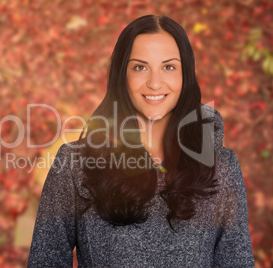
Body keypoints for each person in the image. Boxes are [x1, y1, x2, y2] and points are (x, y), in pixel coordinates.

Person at [27, 15, 255, 267]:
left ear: (185, 75)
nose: (155, 83)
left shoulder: (220, 165)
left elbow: (236, 261)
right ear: (121, 75)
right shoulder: (75, 164)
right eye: (140, 67)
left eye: (168, 67)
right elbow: (45, 260)